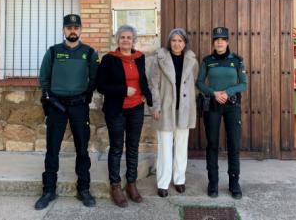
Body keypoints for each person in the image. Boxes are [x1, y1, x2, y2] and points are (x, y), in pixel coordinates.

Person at [35, 14, 99, 210]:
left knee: (82, 148)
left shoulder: (89, 53)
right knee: (52, 149)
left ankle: (84, 189)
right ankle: (48, 190)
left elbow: (94, 79)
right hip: (56, 105)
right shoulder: (53, 52)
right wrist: (48, 96)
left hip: (79, 106)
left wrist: (85, 98)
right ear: (64, 30)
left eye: (76, 28)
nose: (73, 31)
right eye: (69, 28)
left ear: (81, 30)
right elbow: (44, 77)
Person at [96, 25, 153, 208]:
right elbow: (101, 86)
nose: (126, 40)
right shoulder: (109, 60)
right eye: (122, 37)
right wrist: (123, 90)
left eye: (129, 37)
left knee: (133, 147)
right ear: (117, 40)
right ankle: (115, 186)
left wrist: (147, 96)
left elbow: (142, 79)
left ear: (134, 40)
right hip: (116, 110)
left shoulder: (139, 58)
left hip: (136, 108)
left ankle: (131, 183)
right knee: (117, 147)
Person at [196, 26, 247, 199]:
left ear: (227, 41)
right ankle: (213, 183)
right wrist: (214, 93)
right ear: (213, 42)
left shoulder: (237, 61)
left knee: (233, 144)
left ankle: (234, 183)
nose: (219, 42)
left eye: (222, 39)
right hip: (212, 105)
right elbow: (200, 83)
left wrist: (228, 92)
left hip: (232, 106)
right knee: (212, 144)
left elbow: (244, 84)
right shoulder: (207, 61)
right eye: (216, 39)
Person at [149, 28, 199, 197]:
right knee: (165, 147)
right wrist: (155, 106)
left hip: (184, 110)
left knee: (181, 147)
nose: (177, 44)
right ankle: (163, 183)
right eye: (173, 40)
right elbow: (153, 85)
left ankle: (179, 179)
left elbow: (195, 84)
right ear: (169, 42)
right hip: (165, 109)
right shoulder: (160, 59)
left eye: (180, 41)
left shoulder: (192, 60)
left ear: (185, 43)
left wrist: (190, 103)